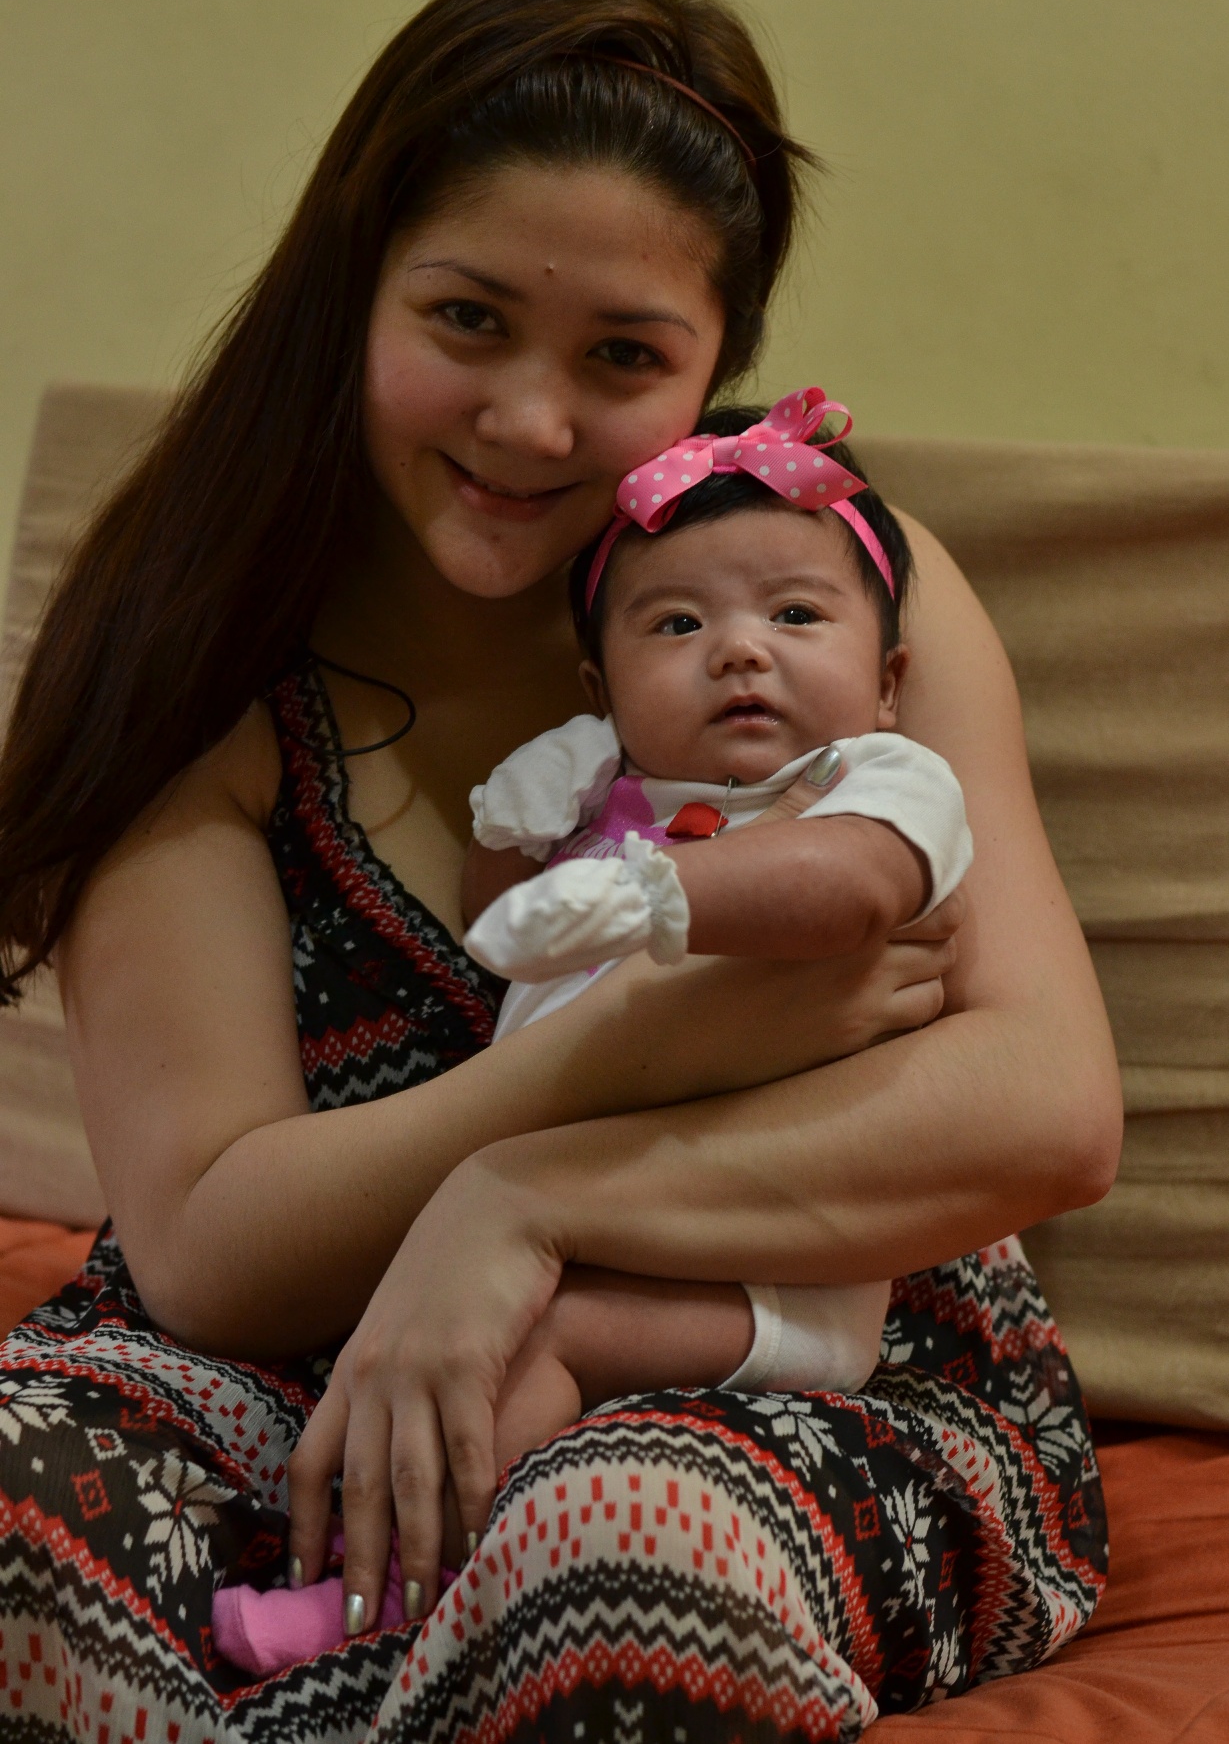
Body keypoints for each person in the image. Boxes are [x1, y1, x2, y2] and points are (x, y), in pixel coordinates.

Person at [0, 0, 1118, 1744]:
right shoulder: (196, 645)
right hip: (281, 1375)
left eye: (622, 357)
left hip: (791, 1357)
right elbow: (208, 1242)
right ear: (354, 286)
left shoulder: (820, 592)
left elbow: (1043, 1110)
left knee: (620, 1546)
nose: (530, 421)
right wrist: (610, 1061)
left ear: (714, 365)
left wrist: (520, 1209)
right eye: (465, 319)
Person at [211, 395, 976, 1674]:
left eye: (795, 615)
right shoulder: (609, 802)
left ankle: (385, 1602)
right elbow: (501, 934)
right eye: (676, 625)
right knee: (439, 1342)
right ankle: (382, 1566)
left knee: (525, 1344)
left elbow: (848, 891)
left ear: (888, 680)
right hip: (580, 1222)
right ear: (599, 686)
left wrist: (651, 894)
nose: (739, 651)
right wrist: (518, 827)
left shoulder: (871, 784)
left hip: (763, 1263)